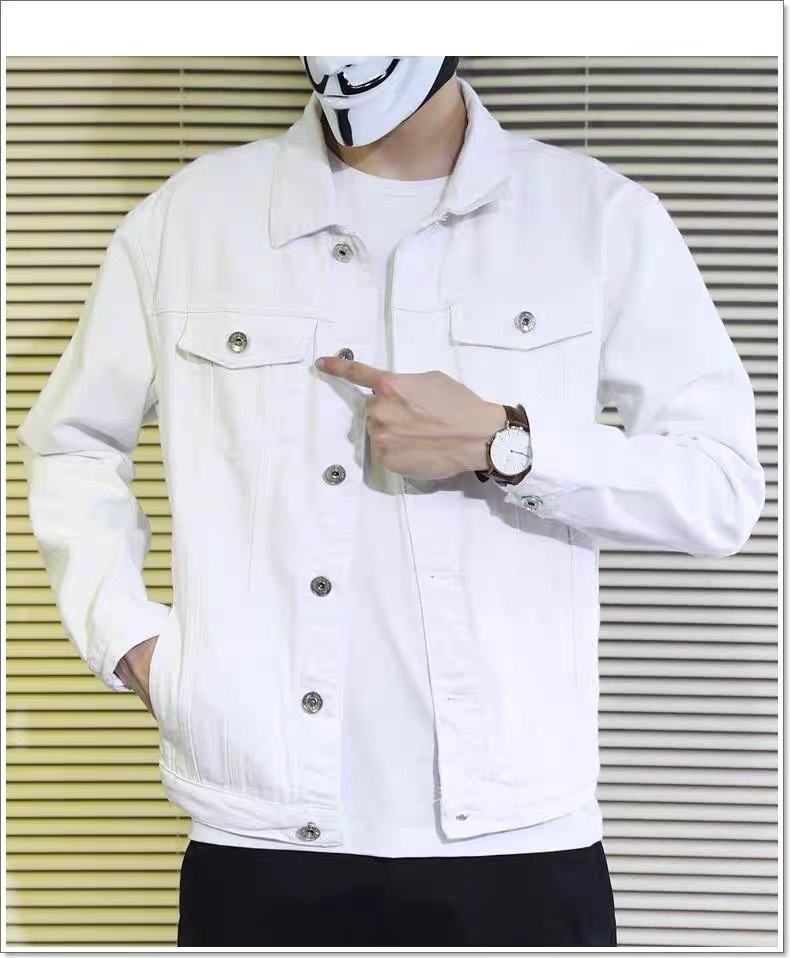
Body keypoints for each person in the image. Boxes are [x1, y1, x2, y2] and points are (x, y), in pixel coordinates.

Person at [17, 56, 765, 948]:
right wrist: (131, 641)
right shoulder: (190, 219)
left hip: (520, 838)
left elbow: (718, 487)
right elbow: (72, 443)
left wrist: (505, 444)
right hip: (260, 832)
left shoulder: (595, 217)